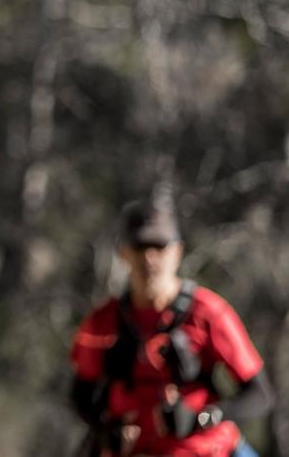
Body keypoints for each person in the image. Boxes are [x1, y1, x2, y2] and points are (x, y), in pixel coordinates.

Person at [69, 190, 275, 457]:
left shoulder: (209, 312)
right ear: (123, 253)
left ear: (177, 252)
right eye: (140, 247)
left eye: (159, 246)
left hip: (205, 449)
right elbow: (80, 394)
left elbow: (260, 395)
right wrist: (105, 429)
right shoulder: (102, 321)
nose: (149, 258)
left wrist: (203, 417)